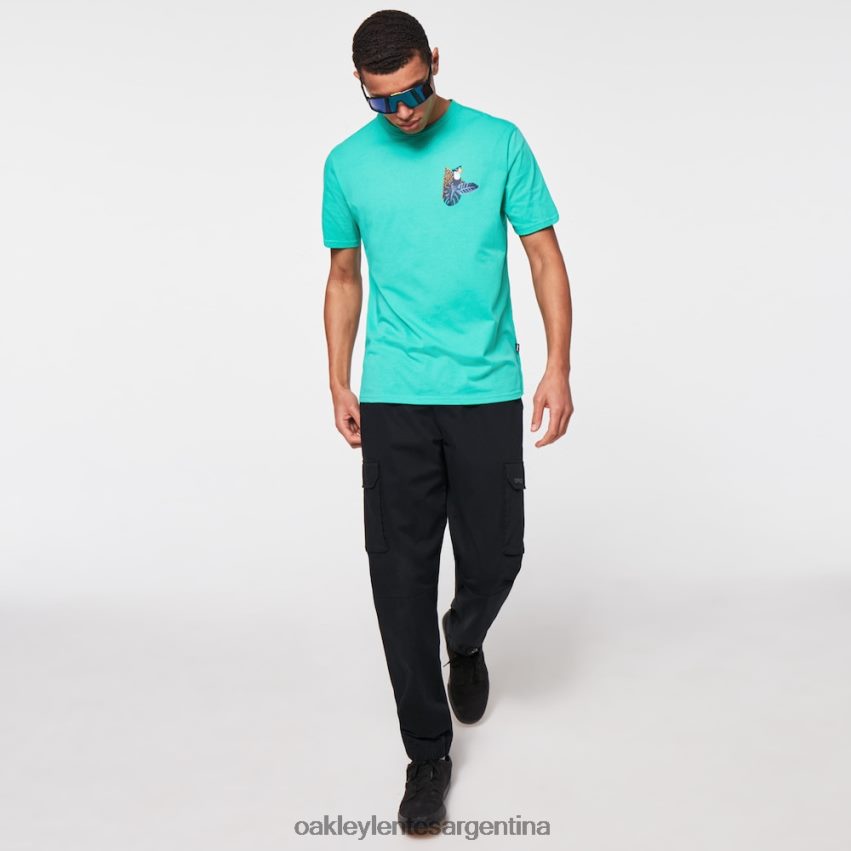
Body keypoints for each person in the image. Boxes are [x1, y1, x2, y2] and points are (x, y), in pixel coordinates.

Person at [321, 9, 574, 831]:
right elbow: (343, 276)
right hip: (393, 391)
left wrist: (557, 366)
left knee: (497, 555)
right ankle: (426, 754)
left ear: (434, 61)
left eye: (413, 91)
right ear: (360, 88)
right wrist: (338, 379)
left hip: (485, 387)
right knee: (397, 574)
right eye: (381, 100)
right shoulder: (346, 163)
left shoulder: (498, 141)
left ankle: (462, 636)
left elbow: (542, 255)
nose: (402, 112)